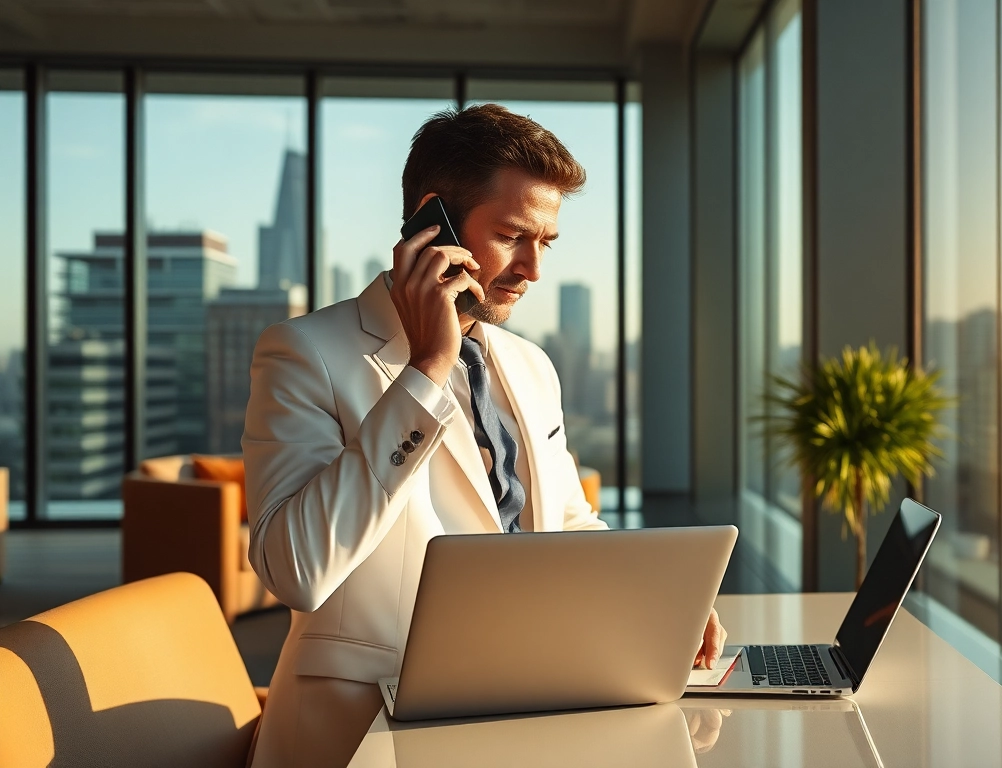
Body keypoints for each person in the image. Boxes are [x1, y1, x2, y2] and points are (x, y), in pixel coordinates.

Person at [242, 104, 727, 768]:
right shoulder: (305, 353)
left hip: (531, 704)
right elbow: (295, 570)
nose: (532, 268)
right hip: (367, 731)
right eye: (512, 235)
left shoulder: (529, 365)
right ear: (432, 221)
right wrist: (426, 372)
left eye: (546, 242)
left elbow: (566, 522)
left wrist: (658, 605)